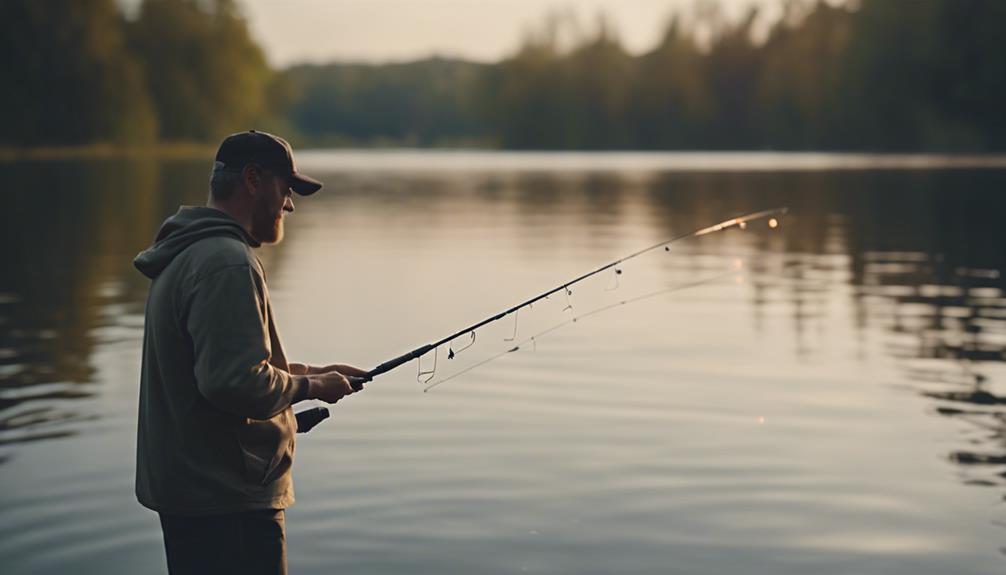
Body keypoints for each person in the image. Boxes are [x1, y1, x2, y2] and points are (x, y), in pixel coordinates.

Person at [133, 130, 364, 575]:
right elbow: (232, 381)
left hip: (196, 496)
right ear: (254, 180)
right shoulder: (226, 262)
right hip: (226, 503)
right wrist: (311, 386)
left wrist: (310, 372)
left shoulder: (188, 252)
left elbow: (214, 366)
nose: (290, 204)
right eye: (287, 189)